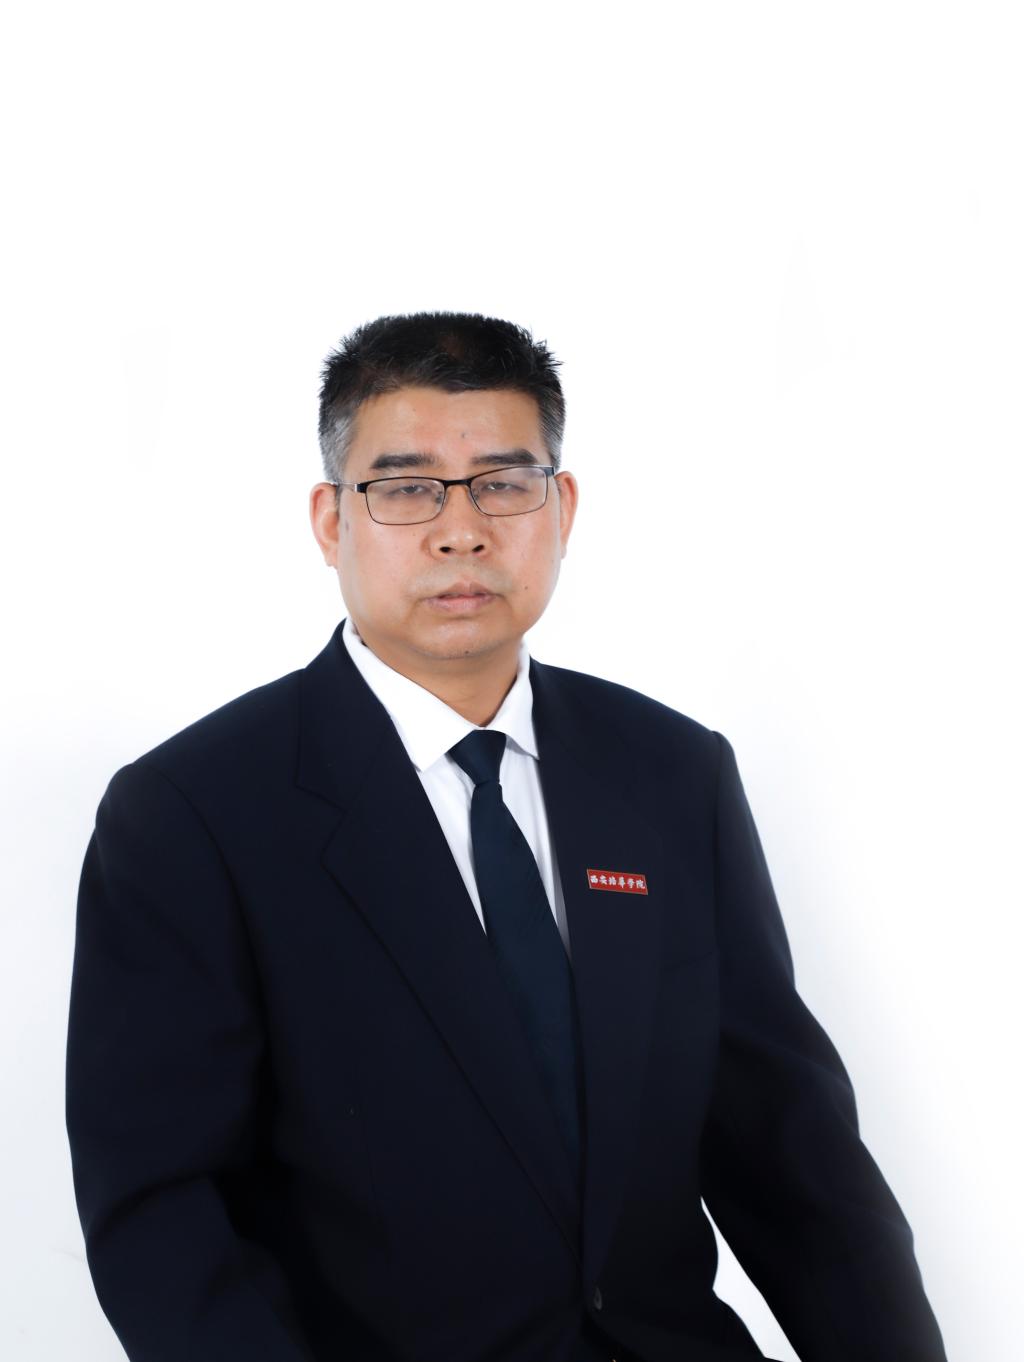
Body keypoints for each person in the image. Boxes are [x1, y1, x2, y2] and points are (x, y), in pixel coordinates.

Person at [66, 312, 947, 1362]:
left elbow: (793, 1155)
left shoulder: (671, 774)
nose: (461, 531)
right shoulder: (193, 812)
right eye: (406, 489)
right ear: (330, 520)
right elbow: (164, 1217)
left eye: (502, 483)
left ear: (560, 508)